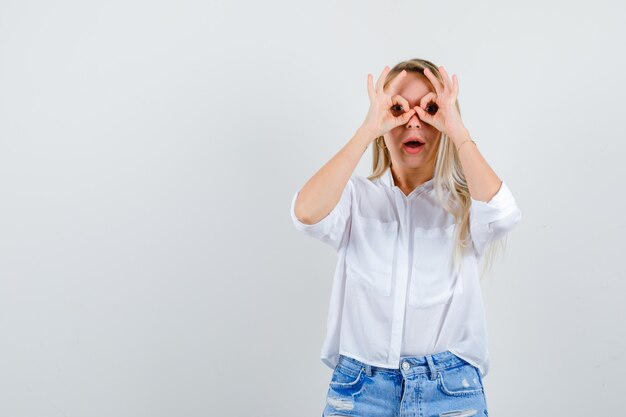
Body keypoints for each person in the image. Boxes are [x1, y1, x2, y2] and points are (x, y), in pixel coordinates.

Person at [289, 58, 521, 417]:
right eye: (398, 108)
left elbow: (503, 213)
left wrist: (457, 131)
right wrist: (368, 129)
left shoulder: (464, 204)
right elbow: (305, 212)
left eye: (429, 108)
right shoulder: (356, 198)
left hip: (449, 391)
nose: (413, 120)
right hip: (360, 389)